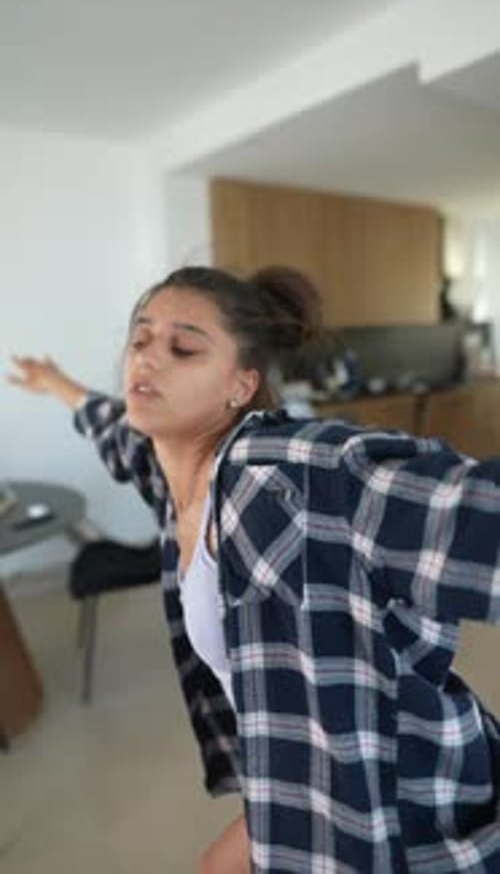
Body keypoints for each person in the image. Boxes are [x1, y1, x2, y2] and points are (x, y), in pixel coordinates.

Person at [8, 264, 500, 874]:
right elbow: (109, 423)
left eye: (183, 347)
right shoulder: (169, 468)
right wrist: (54, 382)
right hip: (295, 781)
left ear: (241, 387)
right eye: (140, 340)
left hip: (406, 808)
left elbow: (469, 511)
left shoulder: (289, 476)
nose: (147, 359)